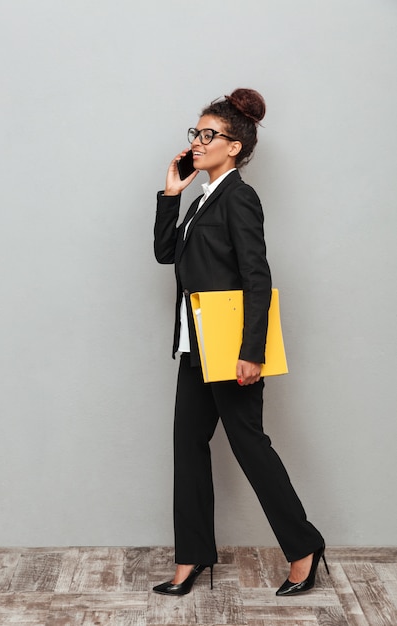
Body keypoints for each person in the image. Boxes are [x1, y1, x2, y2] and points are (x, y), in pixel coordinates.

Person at [152, 88, 328, 597]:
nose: (198, 141)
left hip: (232, 348)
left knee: (249, 446)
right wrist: (170, 193)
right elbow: (168, 255)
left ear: (234, 147)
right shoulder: (203, 198)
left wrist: (253, 351)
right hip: (196, 345)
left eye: (209, 134)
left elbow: (257, 275)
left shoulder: (239, 197)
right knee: (187, 448)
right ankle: (192, 557)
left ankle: (303, 547)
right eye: (196, 133)